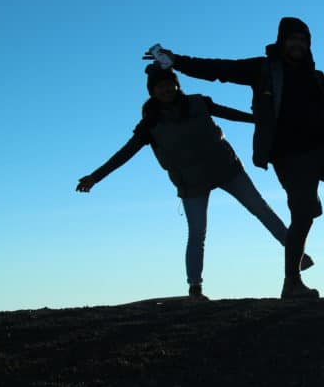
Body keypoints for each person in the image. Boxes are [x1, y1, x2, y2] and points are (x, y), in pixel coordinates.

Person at [147, 17, 324, 299]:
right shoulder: (263, 69)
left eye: (303, 40)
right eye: (293, 39)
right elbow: (219, 70)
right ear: (282, 41)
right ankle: (292, 282)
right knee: (303, 214)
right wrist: (178, 61)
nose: (298, 44)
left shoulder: (317, 78)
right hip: (289, 156)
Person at [76, 64, 308, 301]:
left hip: (226, 168)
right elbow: (124, 154)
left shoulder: (198, 103)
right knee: (197, 233)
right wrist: (95, 177)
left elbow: (230, 113)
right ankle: (195, 287)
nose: (165, 89)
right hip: (191, 182)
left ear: (177, 85)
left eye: (169, 84)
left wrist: (261, 121)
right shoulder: (150, 124)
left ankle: (296, 255)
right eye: (160, 86)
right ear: (152, 92)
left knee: (260, 208)